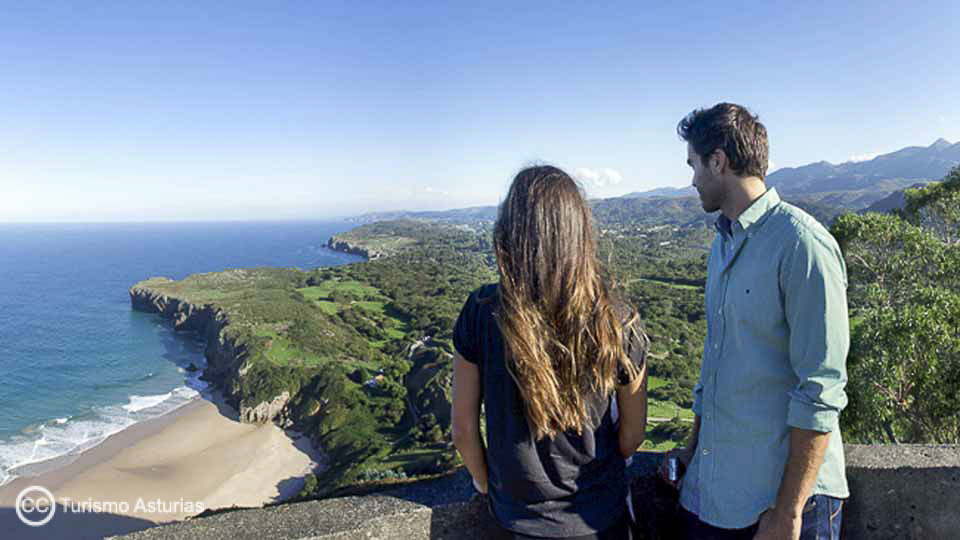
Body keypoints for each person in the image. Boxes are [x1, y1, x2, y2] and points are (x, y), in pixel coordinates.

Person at [659, 103, 849, 540]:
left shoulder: (802, 245)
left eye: (693, 165)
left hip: (783, 504)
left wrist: (788, 512)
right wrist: (692, 451)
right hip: (716, 496)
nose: (692, 180)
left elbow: (821, 389)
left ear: (718, 162)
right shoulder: (722, 245)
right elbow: (716, 364)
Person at [451, 165, 649, 540]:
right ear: (580, 234)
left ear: (509, 233)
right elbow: (632, 434)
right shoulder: (617, 320)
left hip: (514, 522)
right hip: (599, 520)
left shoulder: (481, 312)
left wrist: (484, 483)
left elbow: (462, 430)